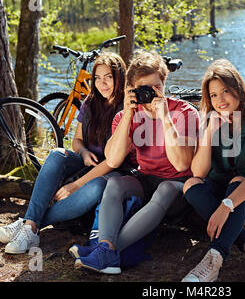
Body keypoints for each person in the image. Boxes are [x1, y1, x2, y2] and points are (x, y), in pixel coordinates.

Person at [72, 50, 199, 274]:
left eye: (156, 87)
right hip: (147, 179)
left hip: (178, 188)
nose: (151, 94)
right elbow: (112, 159)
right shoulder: (125, 116)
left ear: (164, 83)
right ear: (131, 89)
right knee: (115, 183)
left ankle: (104, 252)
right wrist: (129, 113)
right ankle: (106, 249)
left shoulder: (184, 112)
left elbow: (181, 164)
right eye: (143, 89)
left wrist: (165, 117)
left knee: (166, 188)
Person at [0, 52, 131, 254]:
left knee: (96, 187)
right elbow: (76, 141)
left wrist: (75, 185)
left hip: (115, 170)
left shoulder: (127, 108)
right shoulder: (90, 103)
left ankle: (30, 224)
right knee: (57, 154)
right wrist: (85, 152)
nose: (102, 83)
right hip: (89, 162)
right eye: (97, 78)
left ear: (119, 78)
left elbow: (113, 162)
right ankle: (30, 226)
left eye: (108, 77)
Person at [181, 59, 245, 282]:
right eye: (213, 95)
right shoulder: (210, 121)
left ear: (238, 88)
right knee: (190, 185)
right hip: (221, 193)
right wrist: (207, 134)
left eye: (225, 91)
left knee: (238, 180)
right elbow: (198, 173)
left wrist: (227, 205)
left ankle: (214, 258)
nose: (220, 100)